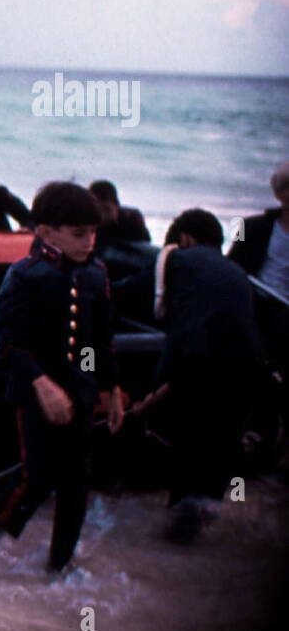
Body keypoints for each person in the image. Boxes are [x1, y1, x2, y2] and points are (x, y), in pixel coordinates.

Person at [0, 181, 124, 574]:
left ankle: (59, 565)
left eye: (93, 232)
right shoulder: (25, 275)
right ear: (46, 232)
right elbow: (9, 340)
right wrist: (43, 386)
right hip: (34, 392)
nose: (90, 241)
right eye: (79, 234)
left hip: (79, 390)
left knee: (76, 482)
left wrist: (110, 389)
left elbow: (100, 338)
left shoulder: (96, 273)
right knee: (38, 477)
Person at [115, 209, 267, 543]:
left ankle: (172, 542)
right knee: (217, 453)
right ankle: (198, 529)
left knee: (187, 448)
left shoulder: (178, 259)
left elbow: (125, 294)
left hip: (198, 359)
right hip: (251, 366)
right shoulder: (237, 273)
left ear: (184, 239)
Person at [228, 159, 289, 300]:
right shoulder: (248, 226)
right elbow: (231, 265)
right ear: (278, 193)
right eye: (287, 187)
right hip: (255, 301)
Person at [88, 180, 151, 246]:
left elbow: (145, 246)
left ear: (116, 205)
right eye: (97, 210)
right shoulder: (88, 223)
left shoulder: (131, 219)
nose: (102, 215)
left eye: (106, 209)